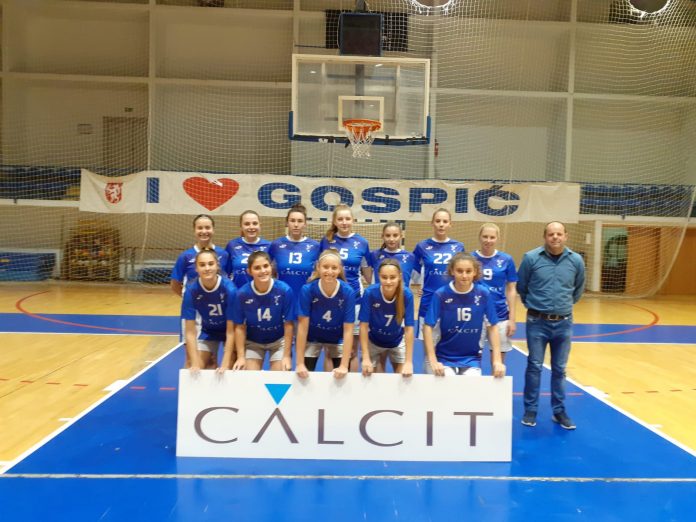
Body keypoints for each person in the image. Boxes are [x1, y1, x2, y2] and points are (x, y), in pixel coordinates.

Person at [517, 221, 585, 430]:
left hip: (564, 323)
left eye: (559, 234)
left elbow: (578, 289)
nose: (555, 237)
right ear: (545, 236)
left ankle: (559, 411)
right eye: (551, 234)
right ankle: (530, 410)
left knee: (560, 369)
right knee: (534, 366)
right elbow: (522, 287)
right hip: (537, 322)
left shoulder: (576, 260)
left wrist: (562, 307)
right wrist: (535, 306)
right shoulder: (531, 258)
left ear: (565, 236)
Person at [422, 253, 505, 378]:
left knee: (471, 384)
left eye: (468, 271)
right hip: (443, 358)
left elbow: (493, 327)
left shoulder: (483, 294)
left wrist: (497, 361)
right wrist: (433, 360)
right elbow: (427, 327)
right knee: (447, 381)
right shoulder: (441, 294)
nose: (464, 275)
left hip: (471, 359)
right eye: (460, 271)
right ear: (452, 271)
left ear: (475, 272)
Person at [319, 204, 370, 371]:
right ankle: (328, 384)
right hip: (330, 301)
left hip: (355, 300)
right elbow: (319, 269)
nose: (344, 222)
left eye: (347, 218)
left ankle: (351, 385)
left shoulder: (362, 242)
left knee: (353, 350)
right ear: (334, 221)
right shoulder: (326, 241)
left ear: (353, 220)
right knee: (330, 349)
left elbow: (368, 273)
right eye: (340, 219)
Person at [295, 249, 356, 379]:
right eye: (325, 267)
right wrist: (299, 363)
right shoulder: (308, 290)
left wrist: (344, 365)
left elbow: (348, 330)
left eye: (334, 268)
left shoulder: (348, 292)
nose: (329, 271)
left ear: (340, 269)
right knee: (303, 376)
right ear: (318, 267)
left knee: (342, 377)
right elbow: (302, 327)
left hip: (337, 338)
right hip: (313, 337)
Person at [231, 251, 295, 371]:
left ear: (271, 267)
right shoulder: (242, 294)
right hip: (253, 342)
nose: (263, 271)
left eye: (266, 266)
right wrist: (241, 357)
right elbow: (239, 327)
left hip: (278, 341)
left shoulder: (284, 290)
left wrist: (286, 356)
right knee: (249, 375)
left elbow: (289, 324)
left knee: (280, 374)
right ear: (249, 271)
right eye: (257, 268)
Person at [180, 249, 236, 373]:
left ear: (217, 265)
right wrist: (195, 363)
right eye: (202, 265)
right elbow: (190, 331)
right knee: (194, 367)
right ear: (196, 268)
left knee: (230, 367)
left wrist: (225, 364)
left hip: (230, 331)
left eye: (211, 264)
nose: (207, 268)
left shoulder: (229, 289)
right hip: (208, 331)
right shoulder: (191, 290)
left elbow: (231, 331)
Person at [413, 208, 465, 337]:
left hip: (453, 301)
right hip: (428, 301)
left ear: (450, 224)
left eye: (445, 221)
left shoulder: (458, 247)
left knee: (449, 342)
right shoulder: (422, 246)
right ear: (432, 223)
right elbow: (413, 269)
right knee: (427, 342)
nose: (441, 224)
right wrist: (420, 285)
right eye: (438, 221)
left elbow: (463, 273)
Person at [471, 223, 519, 363]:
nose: (488, 240)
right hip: (475, 315)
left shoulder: (506, 259)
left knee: (498, 362)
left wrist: (512, 319)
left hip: (500, 315)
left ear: (497, 238)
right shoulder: (470, 259)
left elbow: (511, 289)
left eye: (492, 237)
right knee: (473, 359)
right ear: (479, 237)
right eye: (485, 236)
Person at [359, 259, 415, 377]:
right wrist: (365, 357)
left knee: (404, 377)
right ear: (378, 276)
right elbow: (363, 326)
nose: (388, 281)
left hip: (397, 341)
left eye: (392, 277)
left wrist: (409, 362)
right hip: (374, 340)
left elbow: (409, 329)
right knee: (369, 376)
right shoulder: (370, 293)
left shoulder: (406, 294)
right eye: (384, 277)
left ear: (399, 277)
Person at [268, 203, 320, 299]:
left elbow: (320, 272)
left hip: (305, 298)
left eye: (300, 221)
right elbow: (267, 269)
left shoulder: (315, 246)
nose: (296, 225)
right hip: (282, 298)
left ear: (305, 224)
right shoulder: (276, 244)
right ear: (287, 223)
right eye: (292, 221)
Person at [170, 214, 228, 296]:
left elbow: (228, 279)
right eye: (200, 228)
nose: (204, 231)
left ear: (213, 230)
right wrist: (188, 298)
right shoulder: (185, 256)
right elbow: (175, 284)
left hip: (218, 302)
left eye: (207, 227)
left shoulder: (224, 254)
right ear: (194, 230)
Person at [225, 210, 271, 289]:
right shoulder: (232, 245)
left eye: (255, 223)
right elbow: (226, 273)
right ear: (241, 227)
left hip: (262, 293)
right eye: (247, 224)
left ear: (260, 225)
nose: (251, 227)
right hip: (238, 293)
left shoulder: (269, 246)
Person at [367, 222, 417, 287]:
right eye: (388, 235)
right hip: (380, 293)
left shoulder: (410, 257)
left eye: (395, 235)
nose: (391, 239)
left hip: (402, 293)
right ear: (382, 236)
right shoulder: (374, 255)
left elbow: (417, 278)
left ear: (401, 236)